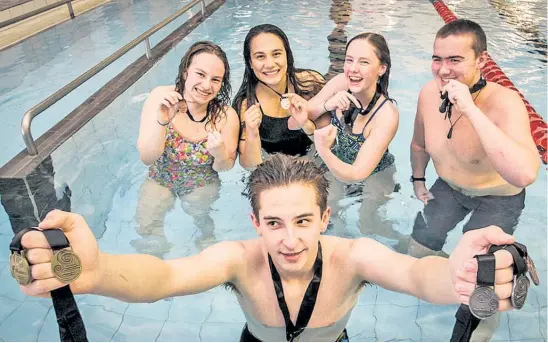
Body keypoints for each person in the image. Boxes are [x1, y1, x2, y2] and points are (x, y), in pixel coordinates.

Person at [19, 154, 517, 342]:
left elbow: (416, 277)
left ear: (325, 218)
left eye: (303, 221)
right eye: (274, 223)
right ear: (255, 222)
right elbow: (165, 279)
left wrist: (455, 271)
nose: (290, 240)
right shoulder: (240, 260)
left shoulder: (354, 257)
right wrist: (96, 272)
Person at [408, 19, 540, 258]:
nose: (443, 69)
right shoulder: (429, 93)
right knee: (418, 247)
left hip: (499, 198)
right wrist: (418, 180)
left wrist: (470, 110)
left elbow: (525, 175)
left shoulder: (505, 102)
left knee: (477, 266)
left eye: (454, 60)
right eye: (437, 59)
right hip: (448, 188)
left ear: (481, 60)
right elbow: (419, 145)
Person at [135, 41, 240, 255]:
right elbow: (147, 158)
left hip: (201, 182)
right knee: (146, 227)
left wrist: (219, 154)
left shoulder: (226, 116)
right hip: (160, 177)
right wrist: (162, 121)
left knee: (201, 216)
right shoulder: (160, 98)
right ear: (185, 72)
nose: (206, 85)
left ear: (222, 84)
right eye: (200, 74)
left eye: (215, 79)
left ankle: (206, 234)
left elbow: (226, 167)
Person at [305, 33, 401, 243]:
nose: (353, 69)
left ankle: (408, 245)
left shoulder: (386, 115)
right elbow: (305, 113)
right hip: (339, 163)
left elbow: (357, 173)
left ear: (381, 69)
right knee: (323, 214)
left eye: (364, 62)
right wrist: (327, 105)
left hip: (376, 173)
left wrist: (323, 150)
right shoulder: (341, 82)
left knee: (368, 225)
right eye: (349, 60)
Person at [232, 24, 326, 169]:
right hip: (272, 173)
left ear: (287, 56)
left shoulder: (310, 83)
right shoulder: (246, 104)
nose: (269, 64)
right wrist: (252, 132)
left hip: (314, 166)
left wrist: (305, 124)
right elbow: (249, 166)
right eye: (260, 57)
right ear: (250, 63)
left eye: (276, 54)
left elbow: (331, 144)